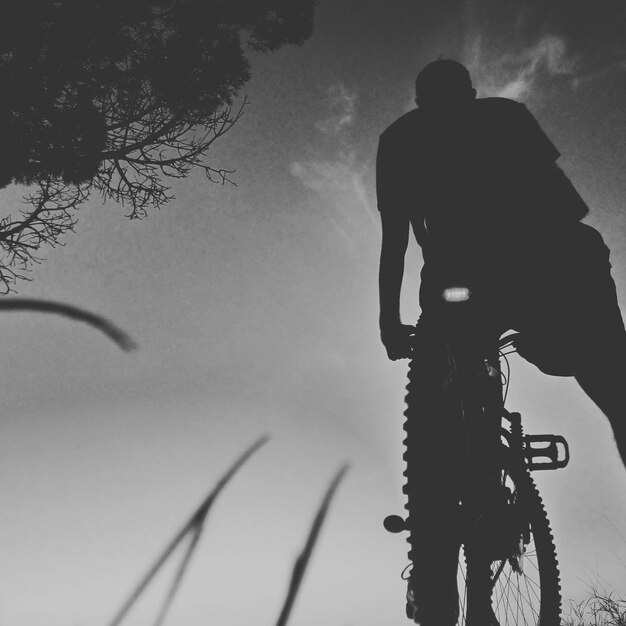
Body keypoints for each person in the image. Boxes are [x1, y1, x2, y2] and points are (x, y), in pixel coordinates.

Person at [377, 58, 626, 625]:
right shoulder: (504, 116)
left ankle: (440, 557)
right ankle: (470, 481)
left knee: (451, 356)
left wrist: (388, 321)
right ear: (470, 91)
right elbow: (569, 207)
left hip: (459, 285)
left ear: (420, 100)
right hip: (546, 267)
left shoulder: (400, 137)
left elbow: (396, 239)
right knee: (611, 381)